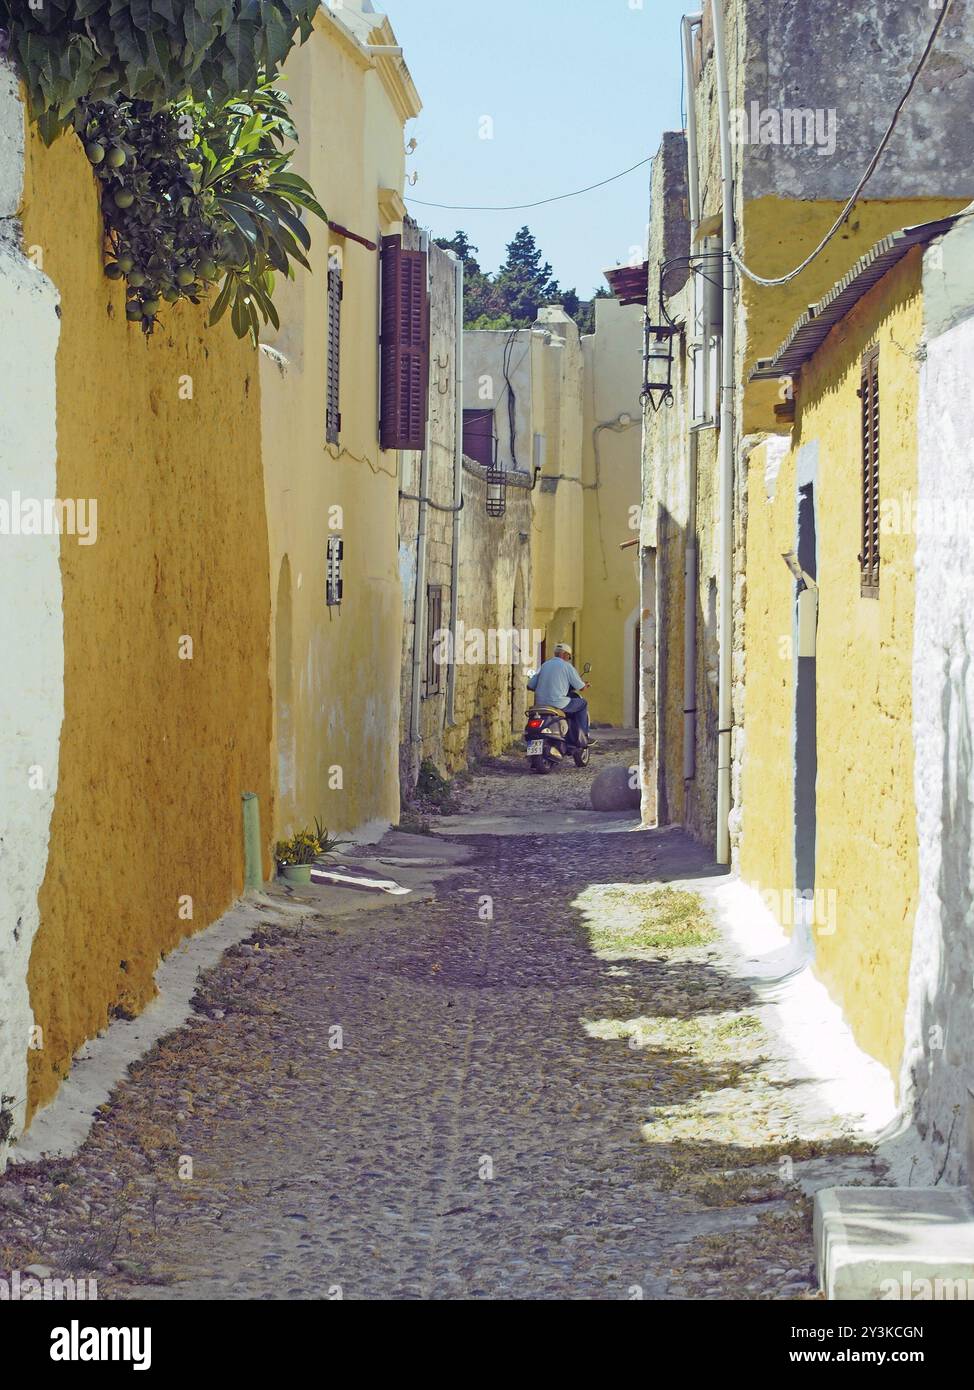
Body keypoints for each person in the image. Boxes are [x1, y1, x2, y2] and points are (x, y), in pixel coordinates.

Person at [526, 642, 594, 746]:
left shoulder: (544, 665)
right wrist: (585, 685)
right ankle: (583, 736)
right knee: (582, 703)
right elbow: (580, 687)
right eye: (569, 656)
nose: (568, 658)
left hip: (540, 704)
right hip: (558, 703)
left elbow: (530, 686)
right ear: (565, 654)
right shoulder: (567, 666)